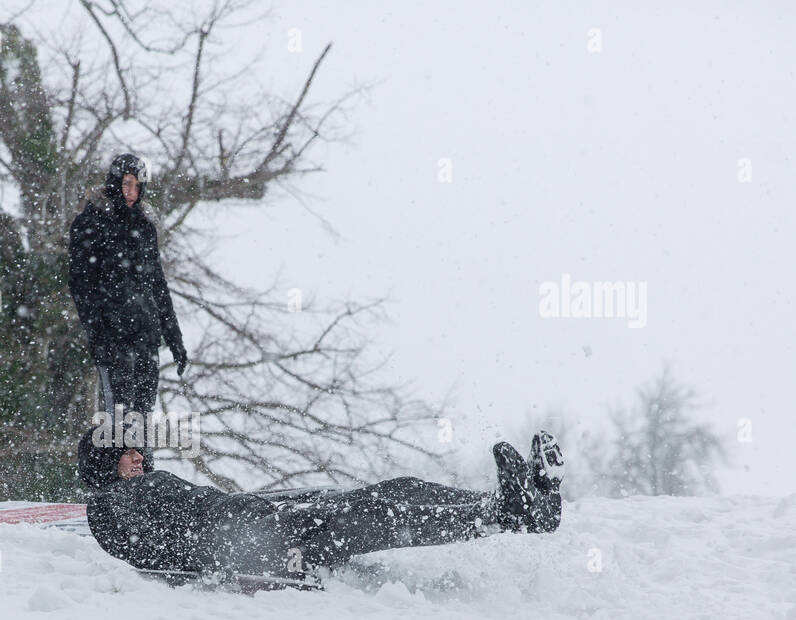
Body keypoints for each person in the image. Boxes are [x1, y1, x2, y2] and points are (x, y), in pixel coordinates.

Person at [77, 429, 565, 578]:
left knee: (392, 489)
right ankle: (506, 515)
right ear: (102, 462)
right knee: (375, 513)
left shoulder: (145, 487)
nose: (137, 457)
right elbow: (162, 551)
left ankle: (509, 503)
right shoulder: (110, 507)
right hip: (260, 545)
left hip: (256, 518)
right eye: (125, 452)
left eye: (140, 450)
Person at [68, 153, 187, 424]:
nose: (131, 192)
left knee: (143, 418)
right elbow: (80, 285)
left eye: (137, 186)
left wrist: (174, 338)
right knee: (118, 418)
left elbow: (158, 286)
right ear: (113, 183)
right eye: (126, 184)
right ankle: (115, 466)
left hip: (146, 335)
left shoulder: (145, 228)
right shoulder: (90, 223)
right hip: (112, 337)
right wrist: (98, 335)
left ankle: (143, 467)